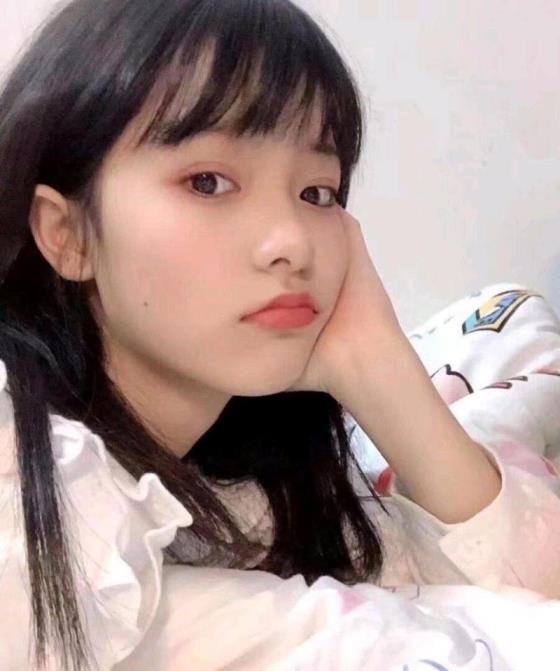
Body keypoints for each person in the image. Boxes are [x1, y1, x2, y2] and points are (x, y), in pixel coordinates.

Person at [0, 1, 559, 669]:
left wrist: (378, 367)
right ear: (66, 233)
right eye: (209, 182)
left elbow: (529, 593)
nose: (291, 242)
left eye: (317, 193)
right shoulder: (20, 481)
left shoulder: (254, 494)